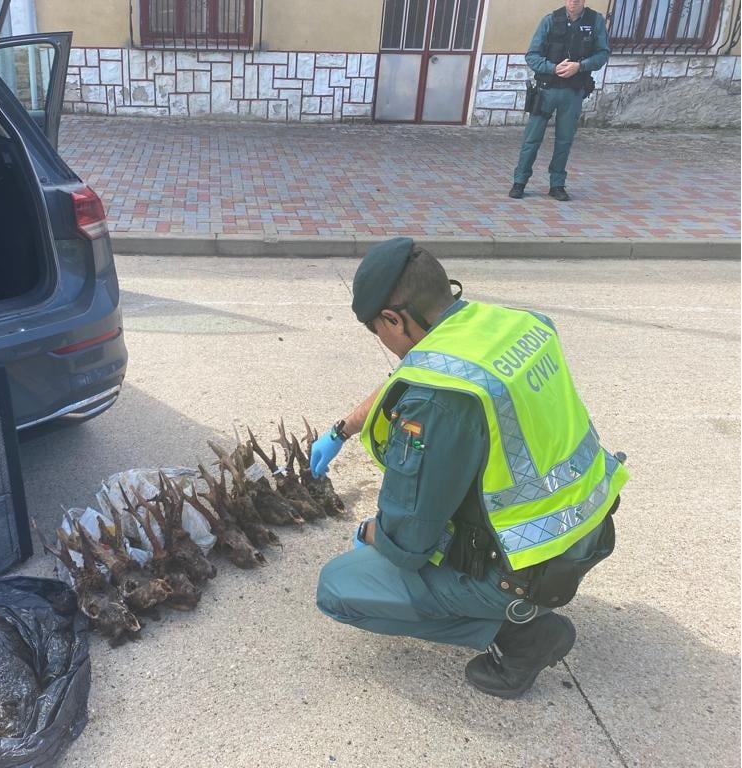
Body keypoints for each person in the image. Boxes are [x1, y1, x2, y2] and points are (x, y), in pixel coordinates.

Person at [313, 237, 627, 699]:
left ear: (394, 319)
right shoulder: (511, 326)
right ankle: (518, 611)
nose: (380, 340)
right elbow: (404, 380)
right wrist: (341, 430)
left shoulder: (438, 402)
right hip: (588, 526)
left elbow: (408, 539)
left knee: (339, 587)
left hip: (527, 572)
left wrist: (369, 532)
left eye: (375, 329)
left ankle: (522, 636)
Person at [509, 0, 610, 202]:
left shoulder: (595, 21)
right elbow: (531, 56)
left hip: (573, 92)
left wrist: (580, 66)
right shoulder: (549, 20)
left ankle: (557, 185)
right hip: (546, 91)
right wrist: (552, 68)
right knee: (531, 139)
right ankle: (519, 182)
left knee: (564, 141)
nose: (573, 2)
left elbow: (602, 54)